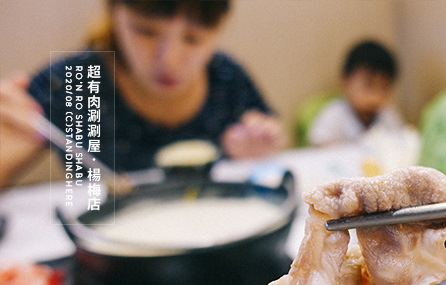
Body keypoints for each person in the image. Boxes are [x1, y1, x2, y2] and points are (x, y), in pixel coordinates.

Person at [0, 0, 285, 189]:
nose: (169, 60)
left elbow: (268, 137)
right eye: (145, 32)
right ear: (113, 13)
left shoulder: (226, 77)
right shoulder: (70, 83)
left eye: (193, 39)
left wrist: (252, 145)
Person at [306, 39, 404, 147]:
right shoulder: (334, 114)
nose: (376, 96)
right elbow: (320, 144)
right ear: (345, 82)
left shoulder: (387, 115)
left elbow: (399, 143)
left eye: (384, 87)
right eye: (369, 86)